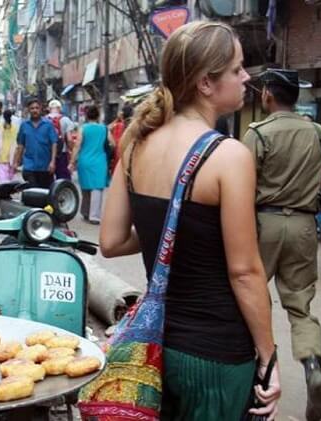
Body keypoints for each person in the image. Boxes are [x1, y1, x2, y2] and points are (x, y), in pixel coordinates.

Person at [100, 21, 280, 420]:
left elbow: (111, 242)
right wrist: (269, 358)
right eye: (237, 69)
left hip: (156, 348)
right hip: (216, 355)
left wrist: (164, 226)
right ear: (205, 83)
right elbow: (246, 272)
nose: (246, 77)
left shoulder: (136, 142)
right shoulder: (228, 156)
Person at [242, 68, 321, 421]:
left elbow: (241, 184)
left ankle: (256, 377)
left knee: (249, 297)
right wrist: (314, 204)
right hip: (302, 225)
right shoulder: (320, 134)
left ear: (267, 94)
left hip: (262, 224)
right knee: (300, 305)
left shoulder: (258, 134)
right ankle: (313, 366)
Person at [69, 105, 108, 225]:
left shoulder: (83, 128)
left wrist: (72, 161)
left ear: (86, 116)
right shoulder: (104, 129)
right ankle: (94, 216)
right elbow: (112, 143)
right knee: (97, 188)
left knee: (86, 187)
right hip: (100, 161)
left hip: (84, 160)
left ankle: (85, 212)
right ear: (98, 116)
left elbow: (77, 145)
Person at [13, 99, 58, 188]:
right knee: (33, 192)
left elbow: (54, 143)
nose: (35, 110)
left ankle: (46, 202)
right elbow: (20, 145)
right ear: (29, 110)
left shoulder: (48, 124)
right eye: (32, 108)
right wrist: (16, 162)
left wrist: (53, 162)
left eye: (37, 108)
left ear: (40, 109)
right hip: (29, 166)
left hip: (45, 166)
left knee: (47, 194)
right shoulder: (24, 125)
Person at [47, 99, 76, 180]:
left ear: (49, 109)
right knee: (63, 179)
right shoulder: (66, 120)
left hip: (47, 154)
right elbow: (70, 139)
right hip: (62, 153)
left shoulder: (44, 120)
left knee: (47, 180)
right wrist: (71, 151)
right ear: (60, 108)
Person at [0, 109, 19, 183]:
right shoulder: (15, 128)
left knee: (2, 180)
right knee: (10, 179)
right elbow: (16, 142)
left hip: (1, 155)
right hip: (12, 155)